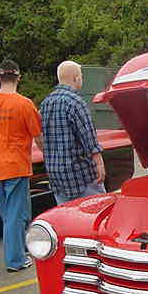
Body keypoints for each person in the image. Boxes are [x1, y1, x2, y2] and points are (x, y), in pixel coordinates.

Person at [0, 59, 43, 272]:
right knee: (15, 215)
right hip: (16, 166)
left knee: (10, 214)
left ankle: (19, 249)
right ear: (18, 78)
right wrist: (48, 156)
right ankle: (15, 260)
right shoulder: (25, 104)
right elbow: (38, 137)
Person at [40, 60, 106, 205]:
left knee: (66, 215)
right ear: (76, 78)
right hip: (80, 175)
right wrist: (99, 165)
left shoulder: (45, 103)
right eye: (81, 75)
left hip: (56, 176)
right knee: (95, 211)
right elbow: (89, 139)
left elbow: (42, 136)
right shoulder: (76, 102)